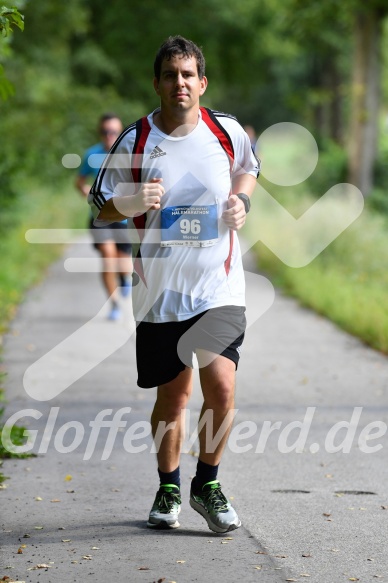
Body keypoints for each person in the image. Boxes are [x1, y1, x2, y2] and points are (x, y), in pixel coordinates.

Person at [88, 36, 260, 533]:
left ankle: (207, 483)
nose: (179, 83)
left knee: (222, 389)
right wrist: (132, 199)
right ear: (158, 83)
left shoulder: (225, 132)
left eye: (188, 75)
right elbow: (101, 207)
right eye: (170, 75)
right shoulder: (136, 141)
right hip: (160, 293)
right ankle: (168, 486)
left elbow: (248, 170)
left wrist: (241, 203)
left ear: (202, 83)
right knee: (174, 398)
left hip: (219, 286)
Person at [76, 113, 133, 321]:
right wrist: (84, 190)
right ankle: (115, 303)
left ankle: (125, 278)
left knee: (123, 263)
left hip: (124, 217)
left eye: (114, 132)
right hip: (99, 216)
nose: (109, 136)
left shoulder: (130, 154)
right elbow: (79, 181)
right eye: (105, 132)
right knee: (108, 257)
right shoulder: (91, 155)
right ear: (100, 133)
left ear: (121, 133)